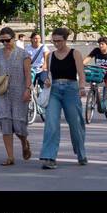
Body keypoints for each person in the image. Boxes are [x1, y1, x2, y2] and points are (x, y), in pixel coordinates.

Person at [40, 27, 87, 169]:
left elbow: (81, 73)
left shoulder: (75, 53)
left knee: (75, 123)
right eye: (54, 41)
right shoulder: (51, 56)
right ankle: (49, 157)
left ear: (65, 40)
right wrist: (46, 81)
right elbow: (48, 74)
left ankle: (81, 153)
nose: (56, 44)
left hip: (71, 90)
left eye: (59, 41)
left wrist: (82, 87)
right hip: (54, 89)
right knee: (51, 123)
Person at [0, 26, 32, 165]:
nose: (5, 43)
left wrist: (28, 90)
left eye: (7, 40)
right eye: (2, 41)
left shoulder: (23, 54)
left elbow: (27, 74)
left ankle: (24, 143)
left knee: (19, 124)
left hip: (19, 92)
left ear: (13, 38)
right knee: (5, 122)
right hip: (1, 92)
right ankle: (10, 156)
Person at [86, 36, 107, 112]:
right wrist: (82, 64)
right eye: (99, 44)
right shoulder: (96, 51)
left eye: (102, 44)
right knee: (92, 81)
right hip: (98, 71)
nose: (100, 46)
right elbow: (88, 58)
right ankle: (96, 95)